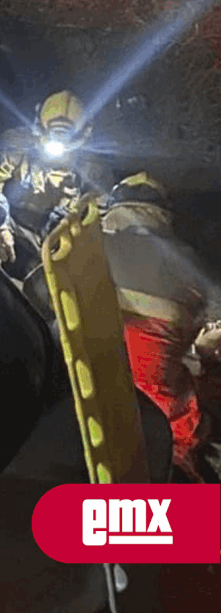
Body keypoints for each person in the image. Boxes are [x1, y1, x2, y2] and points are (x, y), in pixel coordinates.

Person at [102, 172, 216, 482]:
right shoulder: (185, 260)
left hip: (88, 394)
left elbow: (38, 293)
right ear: (162, 214)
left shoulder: (88, 250)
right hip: (162, 410)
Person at [0, 89, 111, 276]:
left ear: (83, 136)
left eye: (66, 143)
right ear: (40, 129)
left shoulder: (93, 166)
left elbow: (100, 215)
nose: (59, 149)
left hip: (58, 235)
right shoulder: (16, 146)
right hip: (13, 225)